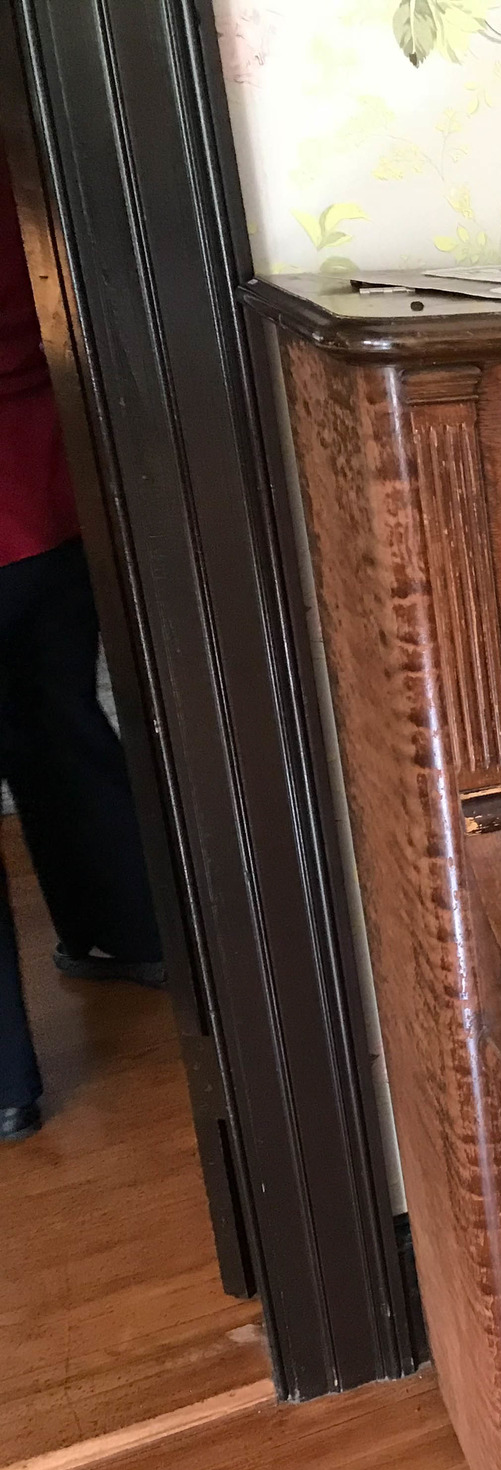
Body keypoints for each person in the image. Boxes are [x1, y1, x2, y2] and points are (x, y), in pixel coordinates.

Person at [1, 153, 165, 1142]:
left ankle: (9, 1083)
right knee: (60, 724)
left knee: (54, 726)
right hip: (43, 499)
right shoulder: (20, 155)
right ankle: (130, 932)